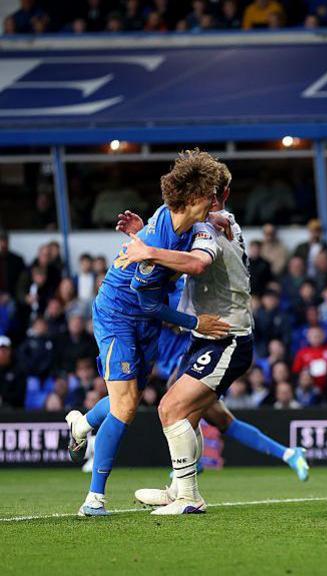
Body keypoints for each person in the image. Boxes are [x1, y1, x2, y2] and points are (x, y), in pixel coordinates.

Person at [104, 166, 310, 514]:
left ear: (222, 196)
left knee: (171, 408)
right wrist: (147, 238)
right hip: (205, 336)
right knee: (189, 411)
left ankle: (188, 498)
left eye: (213, 195)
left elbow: (197, 265)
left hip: (226, 338)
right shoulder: (207, 223)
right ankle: (179, 490)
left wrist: (147, 252)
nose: (208, 201)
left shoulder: (213, 229)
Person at [62, 149, 231, 517]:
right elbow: (149, 303)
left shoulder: (175, 224)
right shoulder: (161, 237)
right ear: (192, 197)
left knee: (130, 399)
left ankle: (81, 424)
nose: (215, 200)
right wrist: (194, 323)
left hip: (146, 319)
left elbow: (157, 294)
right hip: (119, 314)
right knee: (124, 406)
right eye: (211, 194)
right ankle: (94, 498)